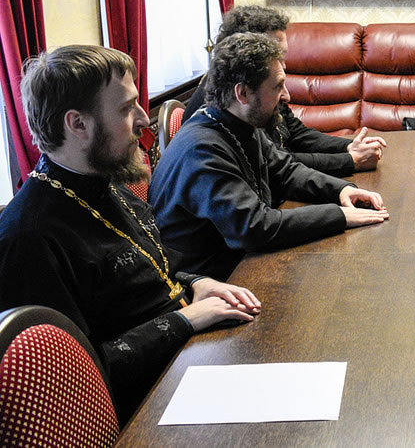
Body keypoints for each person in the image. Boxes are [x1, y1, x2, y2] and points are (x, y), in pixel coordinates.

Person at [0, 46, 260, 422]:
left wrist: (197, 283)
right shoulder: (27, 239)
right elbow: (81, 379)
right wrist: (186, 319)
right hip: (146, 408)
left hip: (189, 358)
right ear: (78, 124)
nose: (143, 118)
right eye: (126, 108)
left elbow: (148, 269)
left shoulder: (106, 181)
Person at [151, 33, 389, 280]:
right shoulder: (201, 150)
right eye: (277, 86)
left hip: (243, 262)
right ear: (243, 93)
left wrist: (341, 191)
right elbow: (255, 227)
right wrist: (338, 215)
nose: (286, 96)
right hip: (213, 282)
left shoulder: (239, 122)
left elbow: (285, 171)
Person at [182, 5, 386, 177]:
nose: (284, 66)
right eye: (276, 56)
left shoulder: (263, 86)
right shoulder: (228, 102)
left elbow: (296, 133)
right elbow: (277, 163)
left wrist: (348, 146)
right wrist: (349, 160)